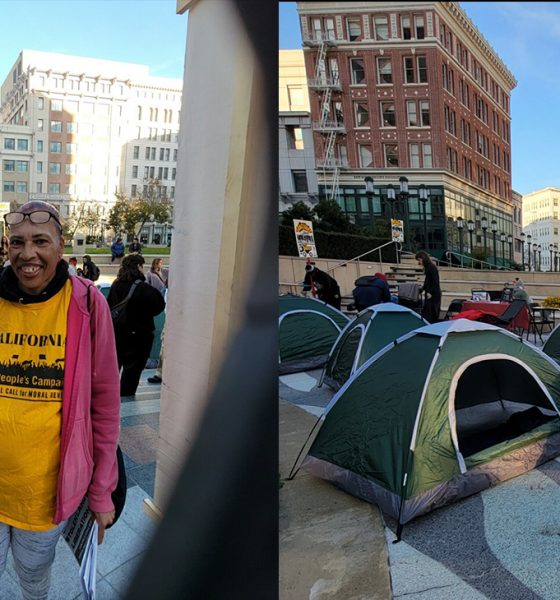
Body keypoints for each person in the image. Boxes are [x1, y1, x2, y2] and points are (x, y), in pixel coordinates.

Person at [0, 201, 120, 597]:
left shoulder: (86, 303)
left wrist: (101, 491)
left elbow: (104, 404)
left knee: (34, 578)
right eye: (17, 242)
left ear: (60, 245)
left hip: (45, 497)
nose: (27, 254)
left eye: (40, 241)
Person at [107, 254, 166, 398]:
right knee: (132, 370)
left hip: (117, 333)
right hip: (140, 335)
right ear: (138, 267)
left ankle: (111, 395)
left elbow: (109, 306)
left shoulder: (116, 285)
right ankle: (126, 395)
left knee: (114, 365)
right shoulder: (144, 288)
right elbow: (159, 306)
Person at [415, 250, 441, 323]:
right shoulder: (429, 268)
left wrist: (430, 292)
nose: (419, 262)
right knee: (428, 313)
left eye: (419, 260)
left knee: (431, 313)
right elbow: (428, 281)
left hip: (433, 294)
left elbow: (435, 281)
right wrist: (423, 289)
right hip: (430, 292)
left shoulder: (431, 268)